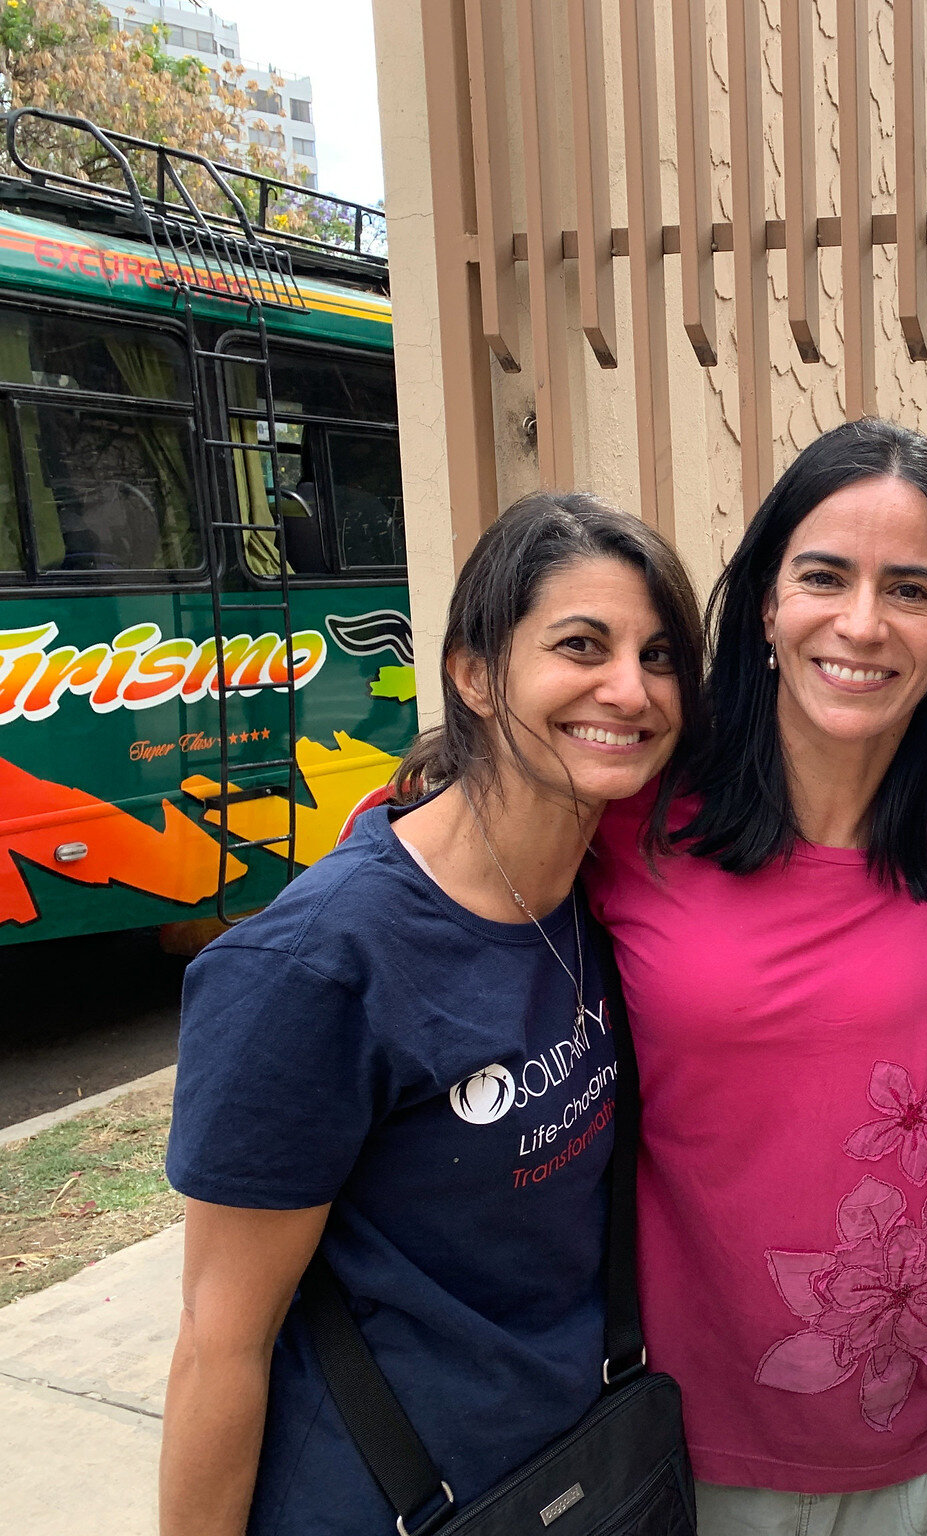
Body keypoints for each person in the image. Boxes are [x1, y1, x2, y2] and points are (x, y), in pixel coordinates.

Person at [159, 492, 707, 1535]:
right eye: (580, 645)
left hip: (581, 1469)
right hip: (387, 1500)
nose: (629, 690)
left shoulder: (602, 888)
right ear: (472, 673)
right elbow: (217, 1341)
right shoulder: (314, 967)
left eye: (660, 655)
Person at [583, 419, 927, 1536]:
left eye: (911, 591)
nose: (861, 623)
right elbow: (424, 866)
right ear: (764, 602)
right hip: (682, 1425)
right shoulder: (635, 814)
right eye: (823, 576)